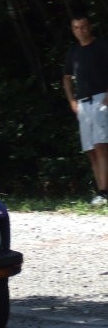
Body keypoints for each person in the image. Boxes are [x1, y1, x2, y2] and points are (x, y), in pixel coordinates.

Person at [62, 13, 108, 206]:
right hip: (83, 103)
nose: (81, 31)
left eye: (83, 26)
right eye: (76, 27)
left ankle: (105, 192)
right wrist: (72, 100)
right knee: (90, 150)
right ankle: (100, 192)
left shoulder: (102, 46)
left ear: (90, 26)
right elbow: (66, 77)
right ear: (72, 30)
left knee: (101, 146)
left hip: (100, 98)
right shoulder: (74, 52)